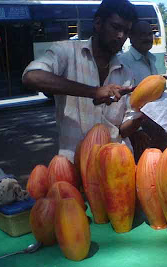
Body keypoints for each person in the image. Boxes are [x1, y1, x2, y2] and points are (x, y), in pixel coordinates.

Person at [22, 0, 147, 163]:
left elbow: (122, 130)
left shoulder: (126, 73)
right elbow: (31, 76)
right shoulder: (66, 52)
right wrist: (94, 92)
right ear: (98, 23)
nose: (121, 36)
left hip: (117, 167)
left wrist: (143, 115)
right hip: (74, 165)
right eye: (116, 27)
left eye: (126, 31)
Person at [119, 21, 167, 162]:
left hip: (155, 124)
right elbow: (124, 103)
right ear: (131, 37)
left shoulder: (151, 59)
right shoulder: (124, 62)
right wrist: (137, 131)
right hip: (137, 129)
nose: (148, 38)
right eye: (142, 34)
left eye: (150, 34)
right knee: (145, 171)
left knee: (164, 164)